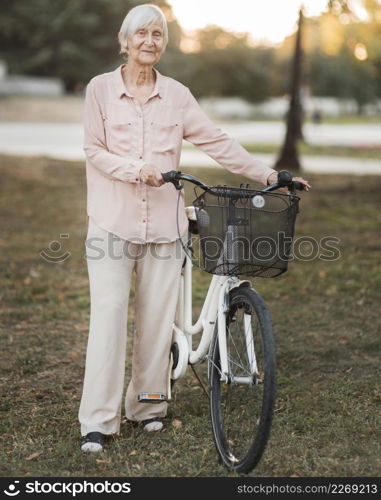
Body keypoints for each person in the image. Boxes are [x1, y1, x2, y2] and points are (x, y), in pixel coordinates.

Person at [79, 3, 311, 453]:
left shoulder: (178, 96)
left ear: (163, 44)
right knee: (107, 321)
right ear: (125, 41)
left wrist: (269, 175)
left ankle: (147, 407)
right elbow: (93, 150)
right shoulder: (99, 90)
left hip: (166, 227)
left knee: (157, 323)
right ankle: (98, 422)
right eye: (141, 34)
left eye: (158, 35)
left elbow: (217, 141)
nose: (150, 41)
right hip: (111, 223)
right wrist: (136, 169)